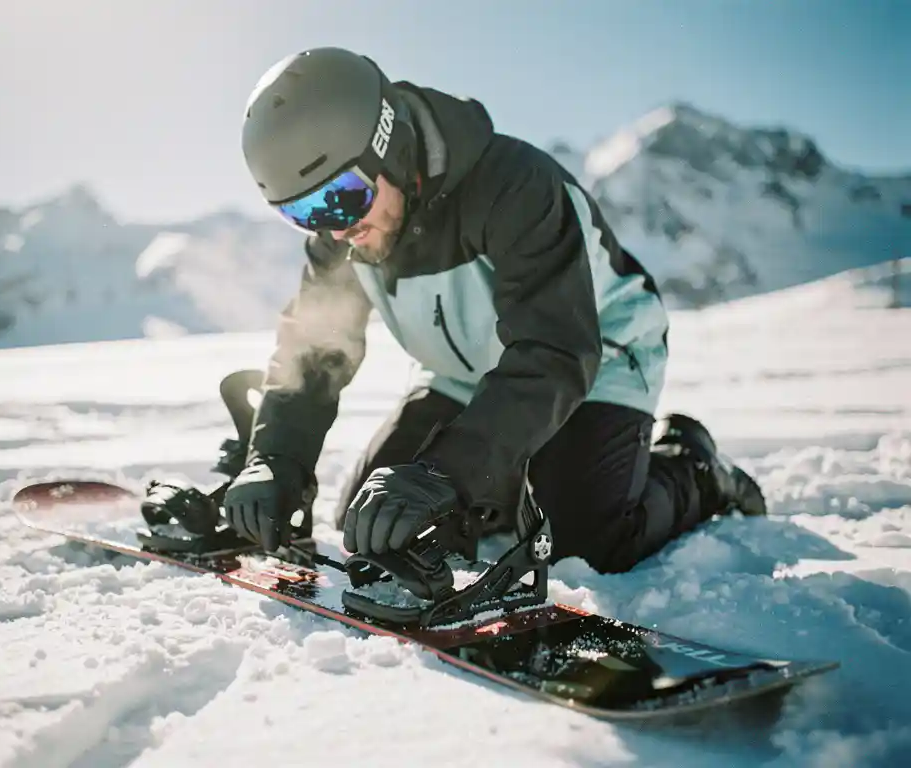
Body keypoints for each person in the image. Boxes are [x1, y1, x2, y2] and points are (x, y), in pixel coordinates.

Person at [151, 46, 767, 577]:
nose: (336, 229)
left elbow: (556, 353)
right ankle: (505, 479)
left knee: (583, 541)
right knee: (370, 522)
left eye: (342, 196)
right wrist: (276, 458)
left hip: (598, 358)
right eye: (304, 213)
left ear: (387, 148)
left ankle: (694, 469)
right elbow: (312, 354)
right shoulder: (348, 236)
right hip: (462, 373)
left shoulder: (515, 189)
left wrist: (449, 474)